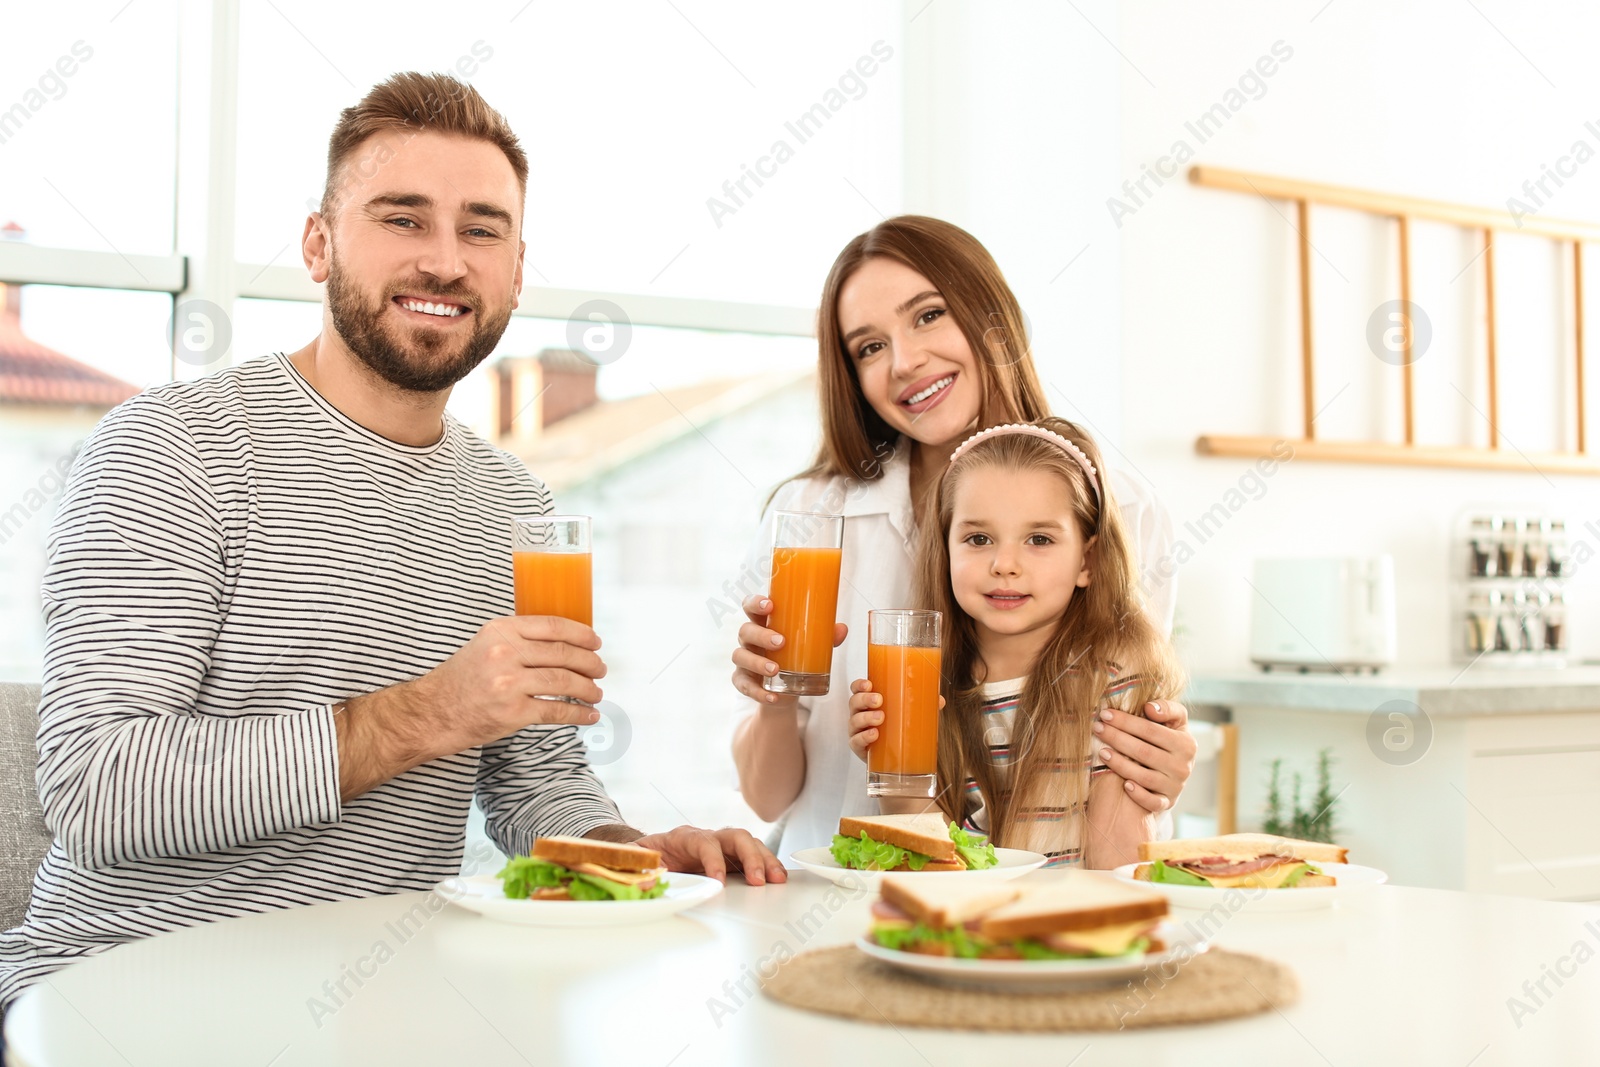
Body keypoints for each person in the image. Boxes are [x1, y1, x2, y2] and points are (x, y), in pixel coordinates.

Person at [0, 72, 781, 1013]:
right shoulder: (174, 449)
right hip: (124, 996)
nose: (445, 261)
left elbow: (535, 785)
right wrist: (429, 712)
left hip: (382, 1004)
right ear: (319, 244)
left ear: (518, 269)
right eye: (403, 219)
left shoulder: (514, 503)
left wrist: (626, 853)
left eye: (481, 229)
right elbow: (97, 789)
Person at [730, 217, 1197, 859]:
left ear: (991, 315)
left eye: (927, 315)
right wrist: (776, 703)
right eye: (868, 347)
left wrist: (1158, 770)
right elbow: (766, 799)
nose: (904, 362)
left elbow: (1124, 734)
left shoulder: (1122, 508)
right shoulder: (811, 515)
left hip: (1053, 905)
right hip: (831, 891)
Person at [847, 419, 1185, 867]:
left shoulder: (1116, 678)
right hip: (965, 921)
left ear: (1088, 560)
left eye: (1039, 539)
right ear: (944, 550)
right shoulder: (924, 681)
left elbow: (1118, 870)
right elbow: (931, 863)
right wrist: (895, 768)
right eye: (979, 539)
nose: (1005, 564)